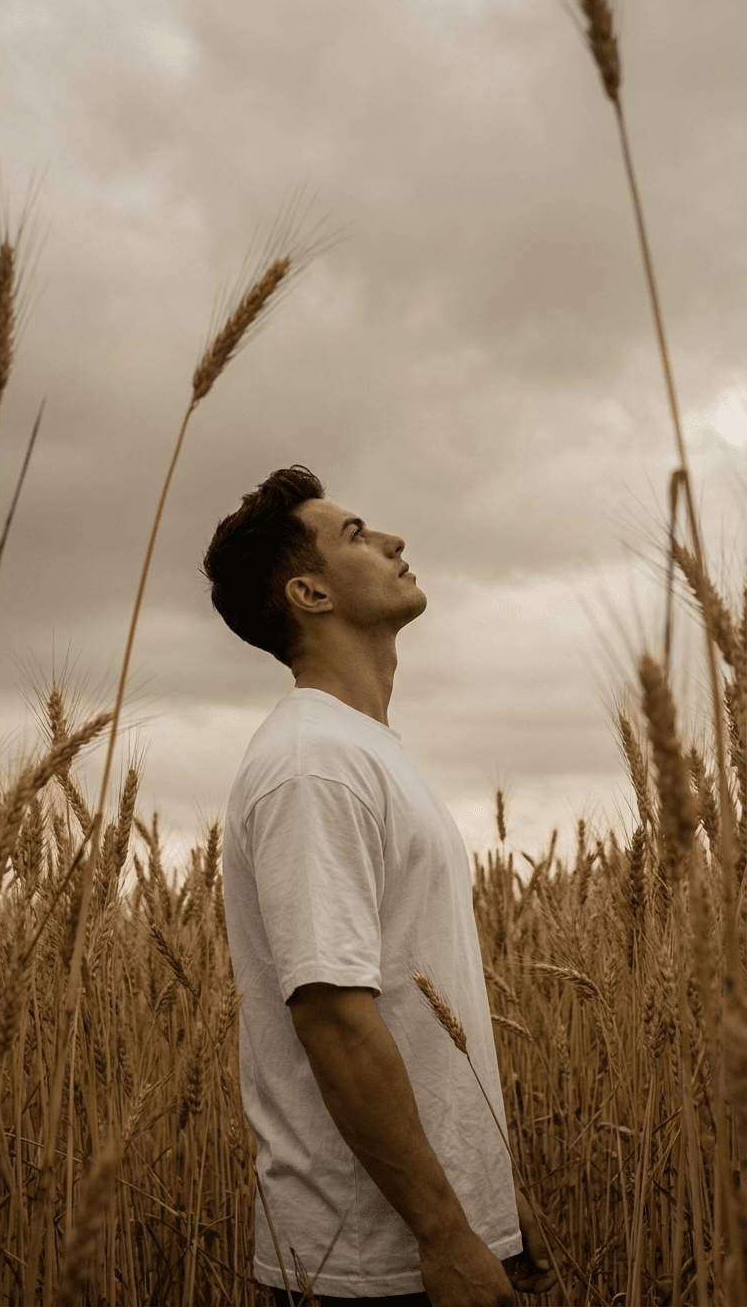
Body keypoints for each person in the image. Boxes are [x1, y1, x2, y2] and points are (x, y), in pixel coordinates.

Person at [202, 465, 556, 1307]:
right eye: (356, 534)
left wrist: (490, 1206)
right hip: (366, 1266)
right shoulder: (310, 765)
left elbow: (413, 1006)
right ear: (309, 593)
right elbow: (335, 1018)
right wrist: (442, 1233)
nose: (395, 541)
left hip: (432, 1235)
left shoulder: (362, 750)